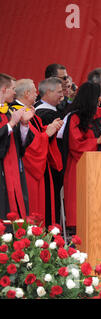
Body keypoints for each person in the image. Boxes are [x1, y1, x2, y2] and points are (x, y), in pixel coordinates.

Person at [61, 81, 101, 231]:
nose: (100, 99)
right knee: (82, 206)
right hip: (80, 167)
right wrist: (98, 140)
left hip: (100, 164)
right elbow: (75, 145)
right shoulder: (74, 117)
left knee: (99, 205)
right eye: (98, 96)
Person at [12, 79, 63, 225]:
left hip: (40, 166)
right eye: (35, 91)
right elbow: (28, 144)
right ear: (27, 93)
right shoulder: (15, 111)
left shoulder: (29, 111)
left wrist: (49, 129)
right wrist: (47, 134)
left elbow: (35, 133)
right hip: (28, 170)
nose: (37, 94)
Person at [0, 73, 34, 220]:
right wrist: (11, 124)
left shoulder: (9, 112)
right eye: (13, 89)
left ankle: (14, 240)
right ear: (3, 89)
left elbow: (20, 144)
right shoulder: (10, 116)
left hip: (14, 168)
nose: (15, 92)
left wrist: (24, 125)